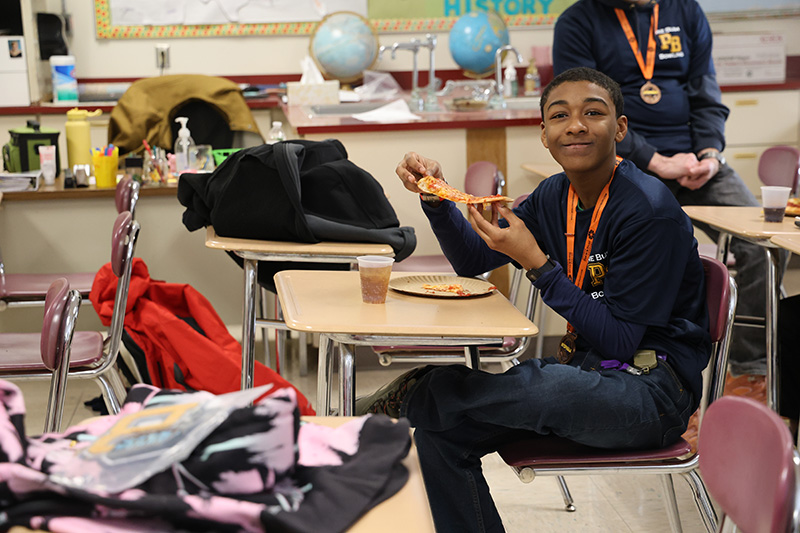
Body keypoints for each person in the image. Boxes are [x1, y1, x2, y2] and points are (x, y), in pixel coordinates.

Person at [355, 67, 710, 533]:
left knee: (545, 384)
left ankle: (421, 393)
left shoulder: (648, 209)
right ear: (544, 134)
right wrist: (436, 200)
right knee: (442, 436)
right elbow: (473, 259)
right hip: (587, 372)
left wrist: (539, 265)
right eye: (560, 116)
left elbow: (622, 342)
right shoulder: (554, 195)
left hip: (651, 392)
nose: (576, 125)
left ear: (620, 128)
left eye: (593, 113)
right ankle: (426, 397)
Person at [552, 0, 771, 385]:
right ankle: (617, 364)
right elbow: (585, 113)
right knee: (623, 254)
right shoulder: (578, 22)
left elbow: (705, 93)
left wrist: (710, 153)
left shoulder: (685, 11)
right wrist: (656, 160)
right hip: (622, 162)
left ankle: (751, 366)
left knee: (762, 244)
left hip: (695, 163)